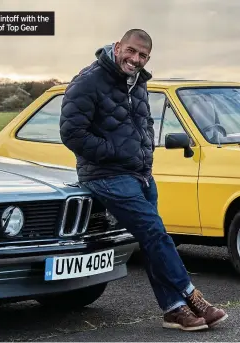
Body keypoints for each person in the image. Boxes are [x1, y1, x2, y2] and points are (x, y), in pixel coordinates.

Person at [59, 28, 228, 331]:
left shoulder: (137, 82)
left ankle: (174, 309)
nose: (135, 59)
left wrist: (144, 154)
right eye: (132, 51)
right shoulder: (88, 80)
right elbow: (72, 133)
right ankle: (191, 295)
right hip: (105, 175)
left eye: (143, 56)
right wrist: (114, 153)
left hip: (140, 174)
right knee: (155, 232)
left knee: (153, 240)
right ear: (118, 46)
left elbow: (144, 122)